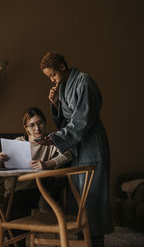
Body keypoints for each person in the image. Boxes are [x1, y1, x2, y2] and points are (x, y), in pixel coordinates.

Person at [38, 51, 114, 246]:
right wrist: (55, 104)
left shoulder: (84, 82)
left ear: (62, 66)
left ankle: (95, 242)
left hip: (91, 146)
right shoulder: (63, 87)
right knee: (78, 200)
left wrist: (55, 139)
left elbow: (80, 122)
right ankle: (83, 241)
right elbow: (64, 122)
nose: (52, 80)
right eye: (49, 78)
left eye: (53, 75)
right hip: (76, 147)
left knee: (92, 198)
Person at [0, 107, 73, 246]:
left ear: (45, 123)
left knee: (13, 208)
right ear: (26, 128)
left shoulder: (50, 142)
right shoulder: (18, 142)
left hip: (37, 190)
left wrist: (47, 164)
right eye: (32, 125)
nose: (37, 128)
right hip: (14, 191)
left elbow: (68, 154)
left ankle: (17, 242)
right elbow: (1, 166)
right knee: (8, 209)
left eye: (40, 123)